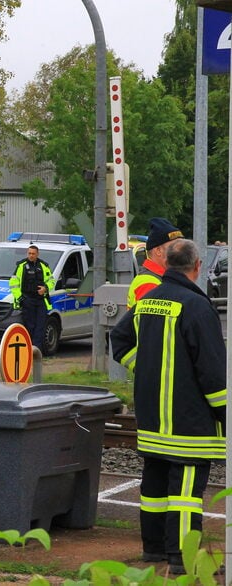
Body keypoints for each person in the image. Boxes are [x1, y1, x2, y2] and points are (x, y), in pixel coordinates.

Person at [110, 239, 226, 575]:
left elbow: (119, 340)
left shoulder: (148, 301)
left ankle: (153, 550)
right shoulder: (197, 306)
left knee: (155, 487)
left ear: (167, 265)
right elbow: (212, 372)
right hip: (188, 423)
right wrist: (225, 415)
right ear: (197, 266)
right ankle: (181, 558)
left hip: (151, 420)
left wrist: (144, 367)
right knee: (186, 493)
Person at [127, 217, 183, 308]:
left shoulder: (159, 278)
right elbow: (151, 321)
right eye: (174, 247)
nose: (180, 252)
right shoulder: (149, 284)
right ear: (158, 251)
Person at [8, 245, 55, 352]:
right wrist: (20, 298)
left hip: (40, 300)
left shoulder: (44, 266)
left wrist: (45, 288)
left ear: (37, 254)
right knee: (29, 326)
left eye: (33, 253)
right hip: (27, 300)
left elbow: (52, 281)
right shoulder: (21, 266)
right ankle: (28, 350)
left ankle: (36, 351)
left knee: (40, 327)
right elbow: (13, 283)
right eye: (29, 253)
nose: (31, 255)